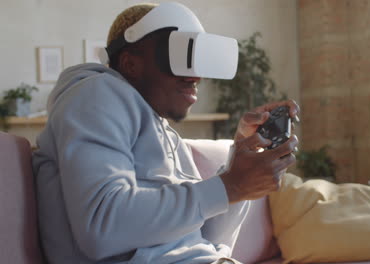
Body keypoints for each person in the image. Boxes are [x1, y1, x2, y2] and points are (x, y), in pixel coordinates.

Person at [32, 2, 299, 264]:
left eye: (196, 60)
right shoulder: (96, 94)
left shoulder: (168, 136)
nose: (194, 77)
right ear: (130, 63)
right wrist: (230, 186)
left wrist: (241, 163)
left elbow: (207, 236)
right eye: (179, 57)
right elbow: (102, 225)